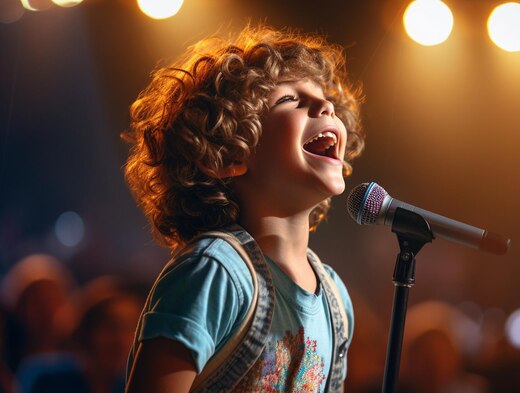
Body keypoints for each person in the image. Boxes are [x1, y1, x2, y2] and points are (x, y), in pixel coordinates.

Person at [122, 24, 365, 393]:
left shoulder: (336, 299)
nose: (324, 105)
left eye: (322, 97)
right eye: (289, 99)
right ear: (228, 156)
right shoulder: (214, 273)